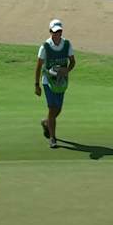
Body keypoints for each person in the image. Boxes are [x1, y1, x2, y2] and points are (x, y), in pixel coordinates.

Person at [35, 19, 76, 149]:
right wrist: (37, 85)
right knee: (52, 109)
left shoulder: (67, 44)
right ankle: (53, 138)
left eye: (59, 31)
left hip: (61, 82)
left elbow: (73, 61)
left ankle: (46, 122)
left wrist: (67, 70)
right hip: (48, 81)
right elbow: (38, 66)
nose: (57, 34)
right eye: (54, 31)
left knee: (58, 109)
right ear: (50, 32)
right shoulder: (45, 46)